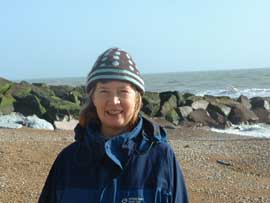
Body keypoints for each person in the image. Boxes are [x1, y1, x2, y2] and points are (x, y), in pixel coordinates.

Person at [39, 47, 189, 203]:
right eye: (104, 91)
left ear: (137, 98)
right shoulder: (68, 161)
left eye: (123, 91)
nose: (114, 101)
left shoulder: (161, 158)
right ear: (93, 98)